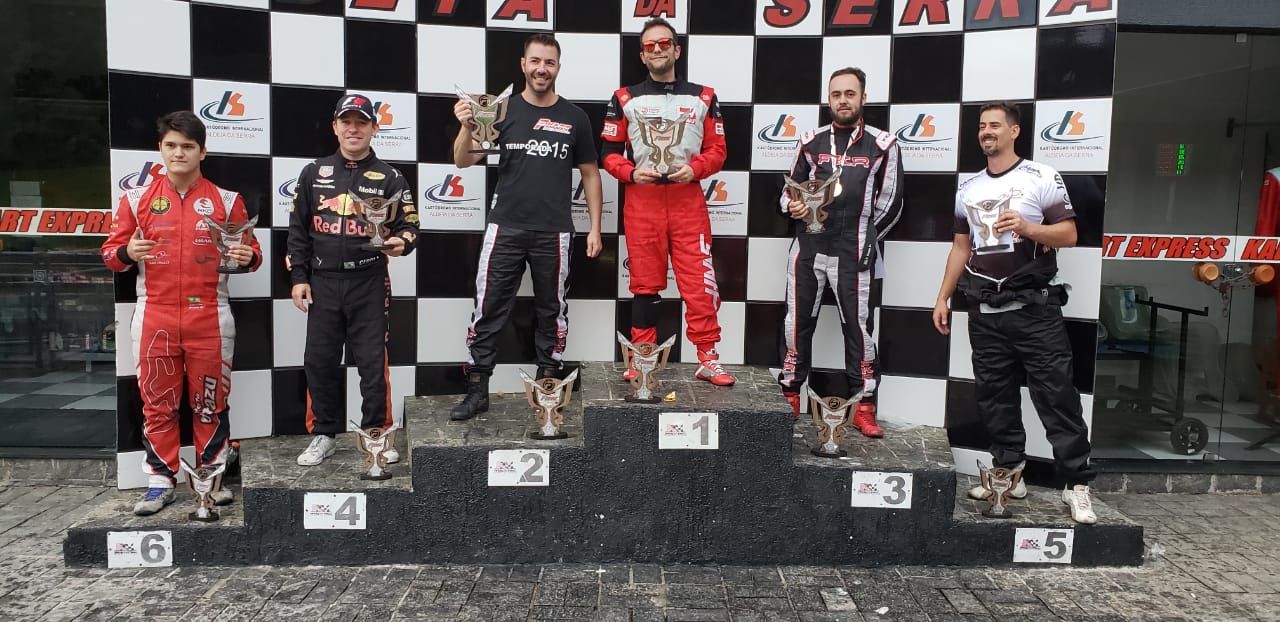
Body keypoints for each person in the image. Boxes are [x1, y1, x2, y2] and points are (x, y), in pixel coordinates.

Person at [931, 101, 1097, 524]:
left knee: (1057, 396)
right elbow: (961, 248)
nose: (986, 132)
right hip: (985, 310)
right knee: (994, 397)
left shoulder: (1041, 176)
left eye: (995, 125)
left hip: (1035, 310)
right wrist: (943, 297)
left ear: (1014, 131)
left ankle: (1077, 484)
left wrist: (1027, 228)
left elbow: (1069, 234)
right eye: (981, 126)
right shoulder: (968, 188)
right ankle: (1009, 474)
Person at [102, 111, 262, 515]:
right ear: (160, 149)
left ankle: (212, 479)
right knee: (158, 403)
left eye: (188, 146)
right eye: (171, 145)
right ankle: (160, 481)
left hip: (209, 316)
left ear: (202, 152)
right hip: (154, 316)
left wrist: (247, 257)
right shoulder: (136, 199)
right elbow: (110, 255)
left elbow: (252, 254)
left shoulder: (227, 200)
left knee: (210, 403)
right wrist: (127, 252)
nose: (179, 153)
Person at [448, 34, 604, 421]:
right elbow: (463, 161)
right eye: (535, 61)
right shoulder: (501, 111)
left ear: (558, 68)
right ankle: (477, 388)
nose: (541, 69)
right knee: (487, 307)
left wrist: (595, 228)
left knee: (553, 311)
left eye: (549, 62)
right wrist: (467, 126)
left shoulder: (575, 117)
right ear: (523, 64)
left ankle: (547, 389)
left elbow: (590, 173)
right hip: (505, 227)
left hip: (555, 230)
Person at [601, 16, 734, 386]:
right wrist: (629, 173)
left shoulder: (704, 96)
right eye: (650, 46)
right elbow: (608, 153)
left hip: (687, 202)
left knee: (700, 285)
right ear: (642, 56)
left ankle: (708, 359)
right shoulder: (624, 97)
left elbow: (718, 150)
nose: (657, 50)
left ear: (677, 50)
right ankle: (642, 359)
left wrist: (696, 169)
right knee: (644, 285)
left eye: (664, 44)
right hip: (642, 202)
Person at [287, 94, 420, 466]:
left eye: (361, 122)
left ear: (374, 128)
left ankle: (377, 432)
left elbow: (411, 226)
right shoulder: (313, 172)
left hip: (369, 281)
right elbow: (297, 231)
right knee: (319, 362)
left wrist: (402, 242)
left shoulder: (391, 177)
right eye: (346, 121)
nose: (353, 129)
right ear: (335, 127)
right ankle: (324, 434)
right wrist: (298, 277)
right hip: (323, 282)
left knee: (372, 363)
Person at [777, 67, 903, 436]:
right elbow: (788, 190)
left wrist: (866, 240)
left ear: (863, 98)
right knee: (795, 323)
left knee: (859, 330)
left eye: (850, 94)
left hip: (853, 248)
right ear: (828, 99)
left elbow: (891, 202)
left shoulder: (883, 144)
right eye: (836, 94)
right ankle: (789, 395)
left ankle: (864, 405)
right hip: (809, 245)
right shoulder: (810, 141)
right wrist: (792, 207)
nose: (843, 100)